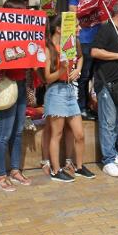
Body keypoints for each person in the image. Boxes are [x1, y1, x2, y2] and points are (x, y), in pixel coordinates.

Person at [41, 15, 95, 182]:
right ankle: (56, 170)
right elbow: (47, 78)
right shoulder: (48, 48)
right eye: (74, 26)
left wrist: (78, 69)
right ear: (59, 29)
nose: (78, 29)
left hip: (70, 90)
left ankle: (78, 167)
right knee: (56, 133)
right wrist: (62, 70)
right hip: (55, 91)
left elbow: (80, 57)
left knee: (79, 133)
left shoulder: (71, 43)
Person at [0, 0, 33, 191]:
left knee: (17, 132)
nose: (24, 16)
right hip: (6, 86)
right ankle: (1, 175)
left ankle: (14, 170)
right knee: (4, 134)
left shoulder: (26, 34)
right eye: (21, 13)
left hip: (22, 85)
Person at [91, 0, 118, 177]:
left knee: (116, 122)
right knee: (108, 123)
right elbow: (94, 51)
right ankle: (107, 160)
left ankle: (114, 154)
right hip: (108, 85)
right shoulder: (106, 29)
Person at [67, 0, 100, 121]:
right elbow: (72, 13)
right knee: (83, 76)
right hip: (84, 40)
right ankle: (80, 107)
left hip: (97, 39)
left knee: (94, 75)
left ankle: (89, 105)